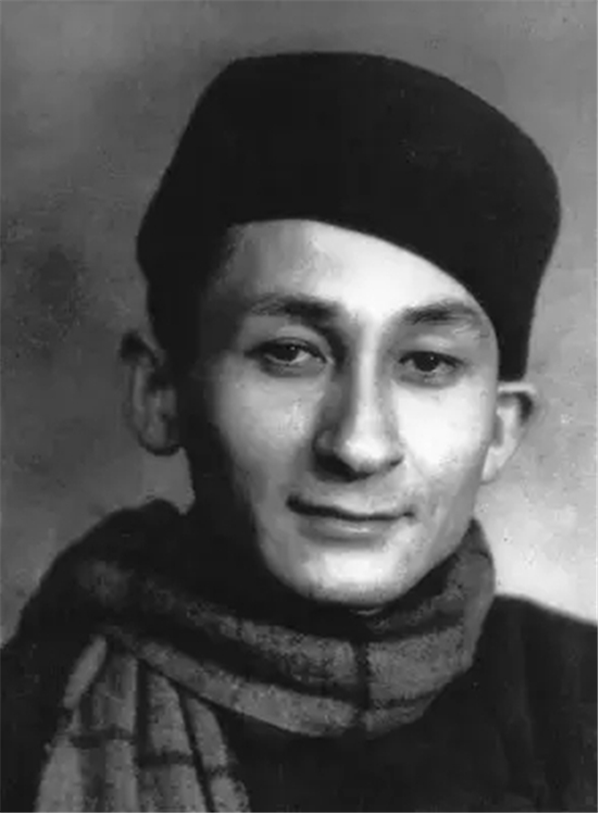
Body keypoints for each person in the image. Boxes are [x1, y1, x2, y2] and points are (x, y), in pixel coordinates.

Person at [2, 52, 596, 812]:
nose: (358, 444)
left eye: (426, 362)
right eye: (290, 353)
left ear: (500, 429)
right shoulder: (28, 723)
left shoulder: (577, 703)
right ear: (160, 392)